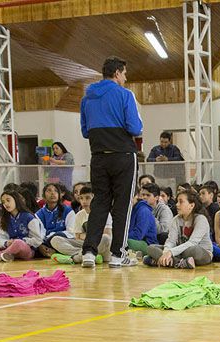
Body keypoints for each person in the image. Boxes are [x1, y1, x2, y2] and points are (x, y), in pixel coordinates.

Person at [80, 56, 143, 268]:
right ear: (117, 73)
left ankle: (89, 252)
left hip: (98, 155)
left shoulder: (87, 97)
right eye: (124, 74)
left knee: (99, 203)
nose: (125, 78)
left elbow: (85, 131)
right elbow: (135, 128)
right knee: (122, 205)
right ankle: (118, 254)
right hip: (123, 155)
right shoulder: (125, 95)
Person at [143, 190, 212, 269]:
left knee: (193, 250)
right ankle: (180, 263)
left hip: (199, 253)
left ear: (191, 205)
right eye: (177, 202)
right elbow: (171, 241)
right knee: (151, 247)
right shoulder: (176, 219)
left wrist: (171, 252)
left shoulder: (201, 219)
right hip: (180, 252)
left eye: (181, 202)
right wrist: (166, 253)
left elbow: (192, 243)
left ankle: (158, 261)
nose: (177, 204)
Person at [49, 185, 112, 264]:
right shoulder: (79, 215)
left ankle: (77, 258)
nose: (84, 201)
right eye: (81, 198)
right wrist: (91, 236)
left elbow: (107, 234)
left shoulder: (104, 213)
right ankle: (85, 256)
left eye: (87, 198)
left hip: (100, 246)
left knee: (105, 238)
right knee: (55, 240)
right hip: (84, 244)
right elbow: (77, 237)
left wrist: (85, 236)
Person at [0, 191, 45, 262]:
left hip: (25, 249)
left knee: (18, 242)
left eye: (8, 200)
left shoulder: (29, 217)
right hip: (8, 247)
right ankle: (4, 256)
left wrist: (22, 240)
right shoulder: (3, 218)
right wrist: (6, 243)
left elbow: (37, 240)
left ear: (16, 200)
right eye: (3, 202)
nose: (5, 204)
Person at [36, 183, 75, 257]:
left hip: (63, 239)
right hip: (47, 242)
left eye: (56, 191)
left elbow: (71, 232)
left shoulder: (68, 211)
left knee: (57, 237)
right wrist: (40, 246)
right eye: (49, 190)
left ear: (60, 195)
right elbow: (40, 234)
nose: (52, 193)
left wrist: (54, 235)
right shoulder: (39, 214)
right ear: (44, 195)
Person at [126, 192, 158, 257]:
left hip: (148, 244)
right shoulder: (132, 209)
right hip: (137, 240)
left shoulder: (144, 211)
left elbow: (138, 235)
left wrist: (123, 237)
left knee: (126, 242)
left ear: (136, 197)